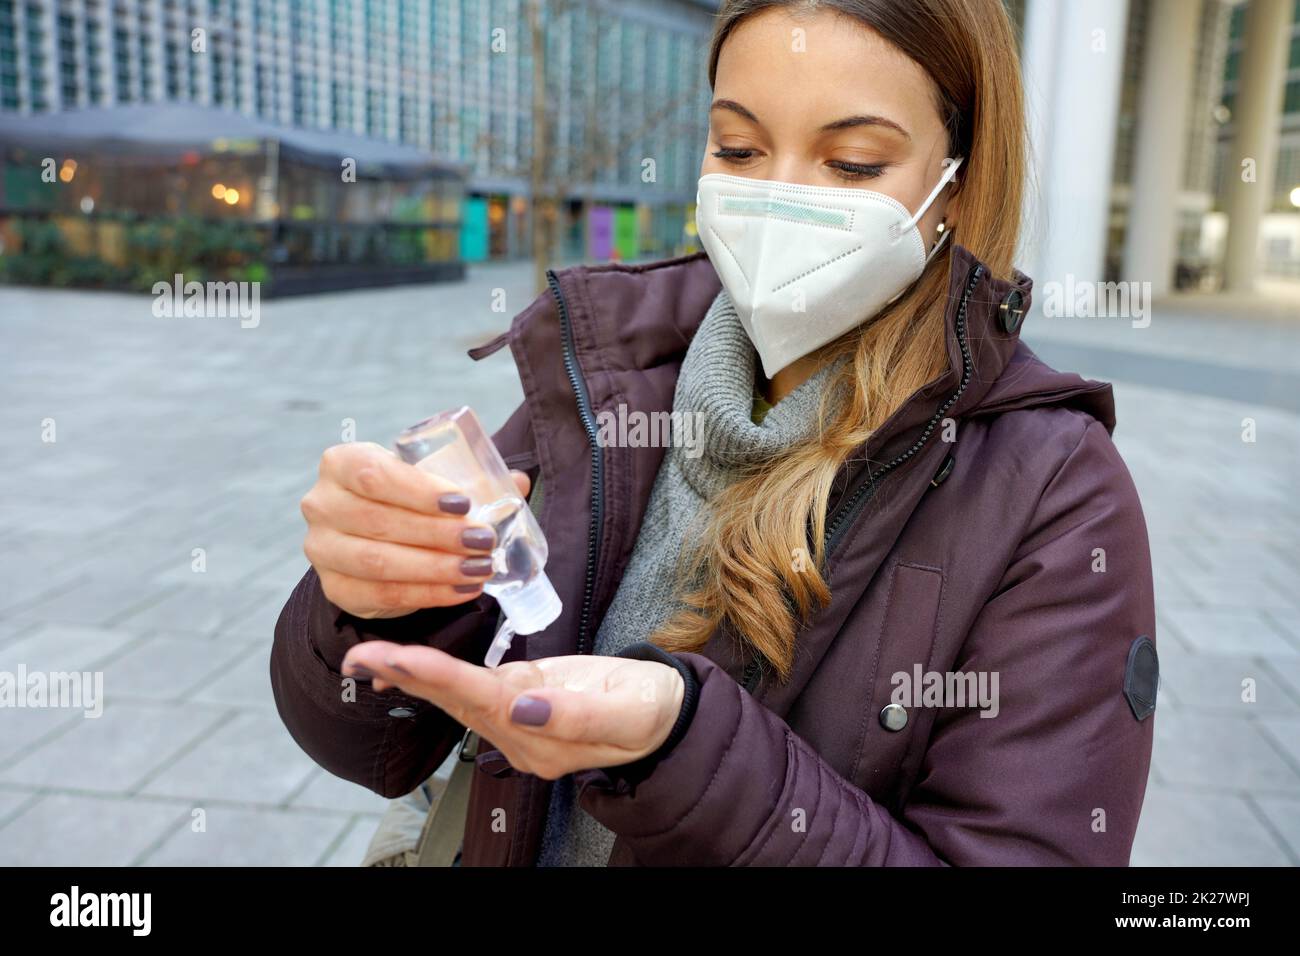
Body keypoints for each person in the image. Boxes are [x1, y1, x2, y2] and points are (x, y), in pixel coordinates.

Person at [270, 0, 1157, 866]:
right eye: (738, 146)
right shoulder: (611, 367)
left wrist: (686, 750)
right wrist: (368, 600)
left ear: (957, 184)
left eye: (851, 164)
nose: (779, 198)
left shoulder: (1054, 492)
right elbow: (369, 745)